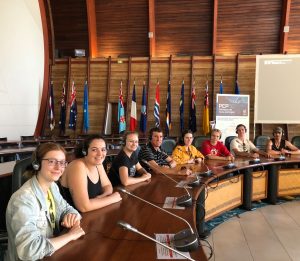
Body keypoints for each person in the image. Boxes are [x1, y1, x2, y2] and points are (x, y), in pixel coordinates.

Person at [5, 143, 85, 261]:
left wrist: (70, 216)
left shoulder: (52, 186)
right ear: (37, 164)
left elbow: (67, 208)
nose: (59, 168)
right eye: (52, 161)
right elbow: (29, 250)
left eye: (62, 162)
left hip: (51, 253)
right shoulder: (24, 199)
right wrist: (70, 236)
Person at [59, 135, 122, 212]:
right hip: (73, 219)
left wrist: (101, 197)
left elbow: (107, 186)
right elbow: (83, 207)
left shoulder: (98, 164)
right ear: (85, 151)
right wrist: (112, 198)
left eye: (103, 149)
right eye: (94, 150)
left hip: (92, 213)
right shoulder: (77, 166)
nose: (100, 154)